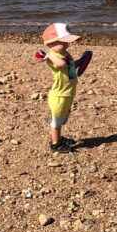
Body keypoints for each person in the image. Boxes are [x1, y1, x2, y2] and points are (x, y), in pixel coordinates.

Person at [35, 22, 92, 153]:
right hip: (59, 95)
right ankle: (55, 144)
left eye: (68, 42)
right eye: (63, 42)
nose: (67, 45)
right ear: (50, 44)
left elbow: (69, 67)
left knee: (62, 119)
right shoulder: (53, 57)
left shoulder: (64, 55)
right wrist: (48, 56)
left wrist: (81, 61)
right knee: (56, 122)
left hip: (67, 93)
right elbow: (61, 65)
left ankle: (59, 138)